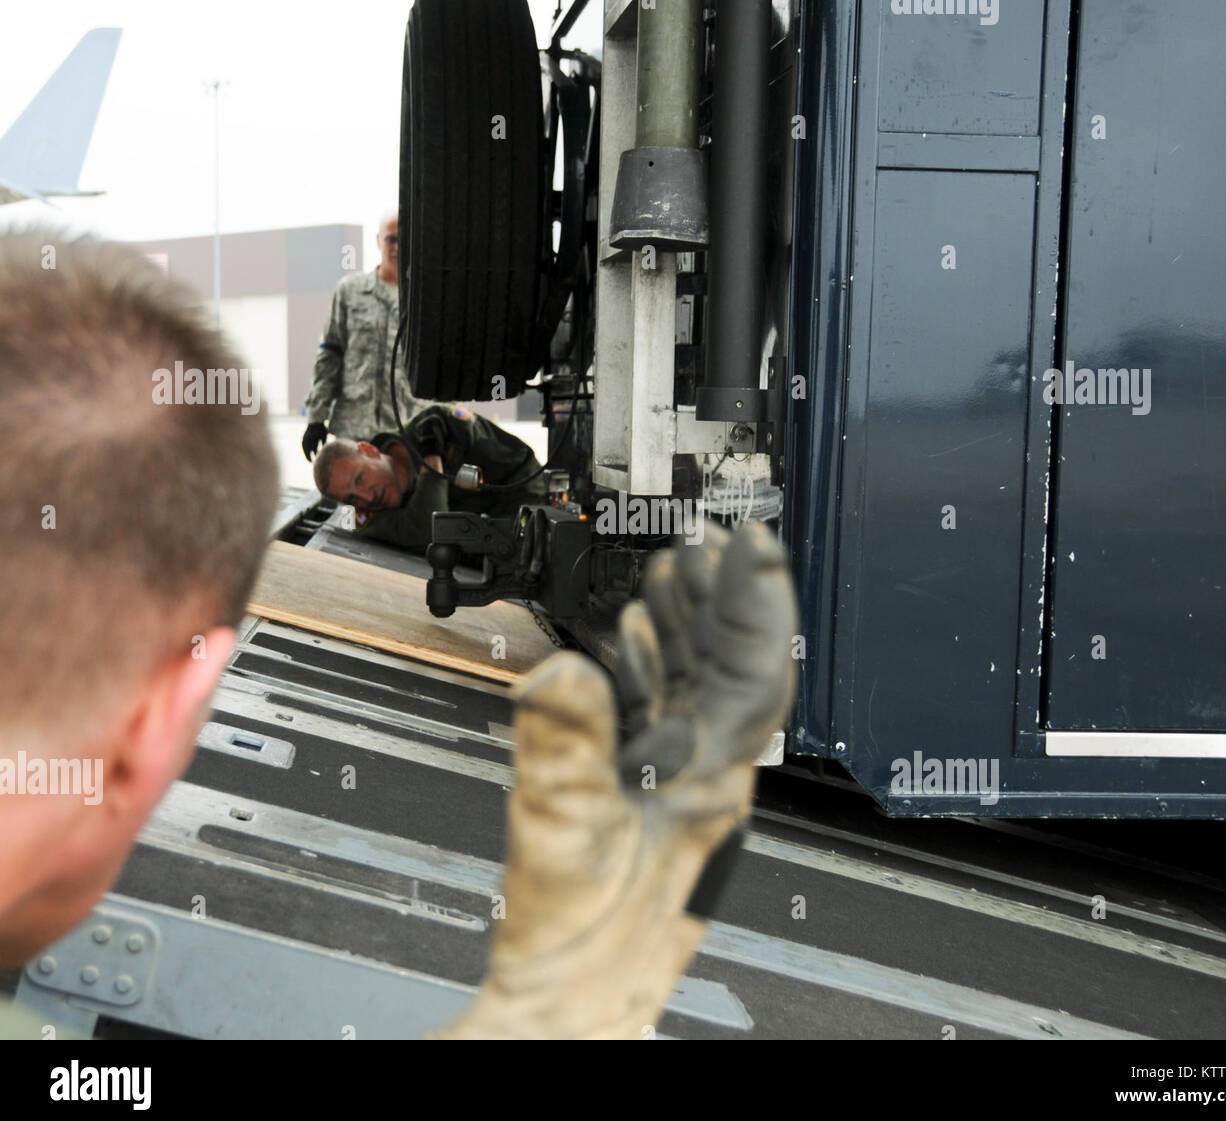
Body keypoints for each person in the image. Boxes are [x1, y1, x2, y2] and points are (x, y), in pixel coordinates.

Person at [0, 227, 797, 1041]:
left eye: (364, 489)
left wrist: (438, 449)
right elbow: (333, 362)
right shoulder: (365, 406)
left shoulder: (433, 441)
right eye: (352, 499)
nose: (363, 506)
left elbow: (479, 445)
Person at [312, 402, 547, 551]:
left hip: (528, 515)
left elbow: (524, 470)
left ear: (369, 450)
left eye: (360, 479)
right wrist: (433, 463)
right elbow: (428, 531)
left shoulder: (440, 424)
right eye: (352, 498)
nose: (366, 497)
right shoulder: (365, 518)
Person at [301, 208, 432, 459]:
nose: (397, 248)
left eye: (404, 241)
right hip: (353, 430)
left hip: (404, 431)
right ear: (378, 241)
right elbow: (329, 357)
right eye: (391, 239)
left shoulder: (423, 301)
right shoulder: (350, 292)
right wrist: (316, 418)